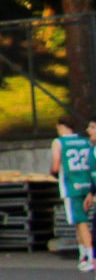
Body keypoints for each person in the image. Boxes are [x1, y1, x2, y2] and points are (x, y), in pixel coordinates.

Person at [50, 115, 93, 271]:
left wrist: (54, 174)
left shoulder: (59, 142)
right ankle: (83, 255)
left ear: (62, 127)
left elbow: (55, 166)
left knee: (81, 222)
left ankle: (90, 256)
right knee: (78, 220)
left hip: (71, 186)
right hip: (87, 184)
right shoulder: (85, 141)